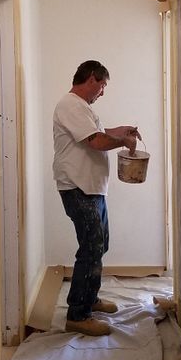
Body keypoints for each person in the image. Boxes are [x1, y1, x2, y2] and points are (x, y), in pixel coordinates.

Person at [53, 60, 140, 337]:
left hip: (91, 189)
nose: (102, 92)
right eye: (102, 86)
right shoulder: (70, 105)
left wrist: (120, 131)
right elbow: (96, 142)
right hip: (77, 188)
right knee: (91, 248)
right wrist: (122, 142)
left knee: (99, 246)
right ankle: (78, 314)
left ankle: (90, 299)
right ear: (92, 79)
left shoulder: (83, 109)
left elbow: (100, 134)